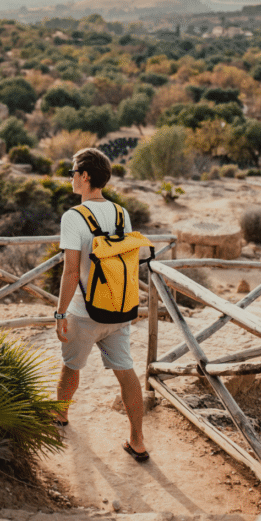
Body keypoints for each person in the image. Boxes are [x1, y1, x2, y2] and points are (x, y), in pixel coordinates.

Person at [54, 147, 149, 463]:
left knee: (71, 367)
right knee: (126, 372)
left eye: (72, 173)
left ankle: (61, 416)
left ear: (84, 176)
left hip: (84, 312)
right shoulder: (122, 213)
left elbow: (70, 271)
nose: (70, 179)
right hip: (120, 310)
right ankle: (137, 440)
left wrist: (60, 313)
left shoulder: (74, 216)